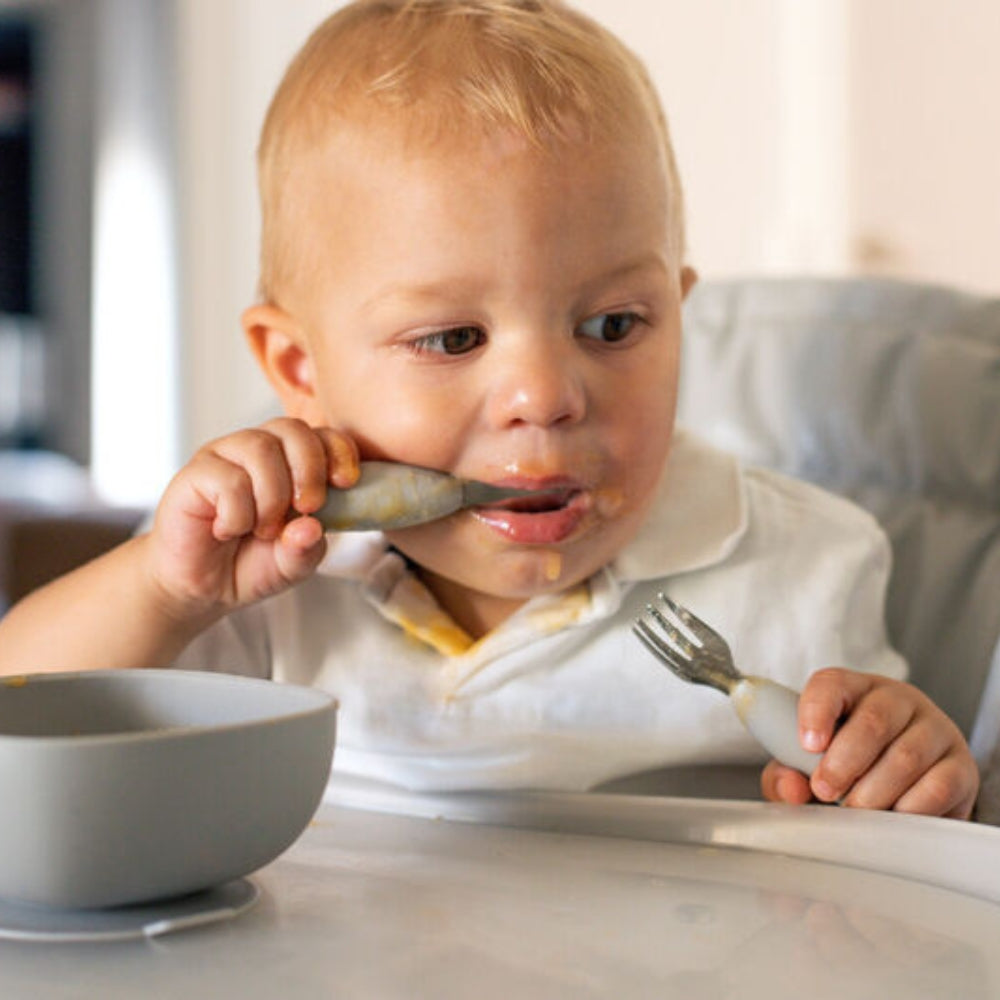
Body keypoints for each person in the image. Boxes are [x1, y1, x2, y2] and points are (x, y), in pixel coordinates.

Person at [0, 0, 978, 818]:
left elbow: (878, 849)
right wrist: (163, 592)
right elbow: (20, 724)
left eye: (611, 324)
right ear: (299, 366)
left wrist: (903, 772)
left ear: (679, 312)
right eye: (454, 340)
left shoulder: (802, 565)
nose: (546, 396)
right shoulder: (261, 583)